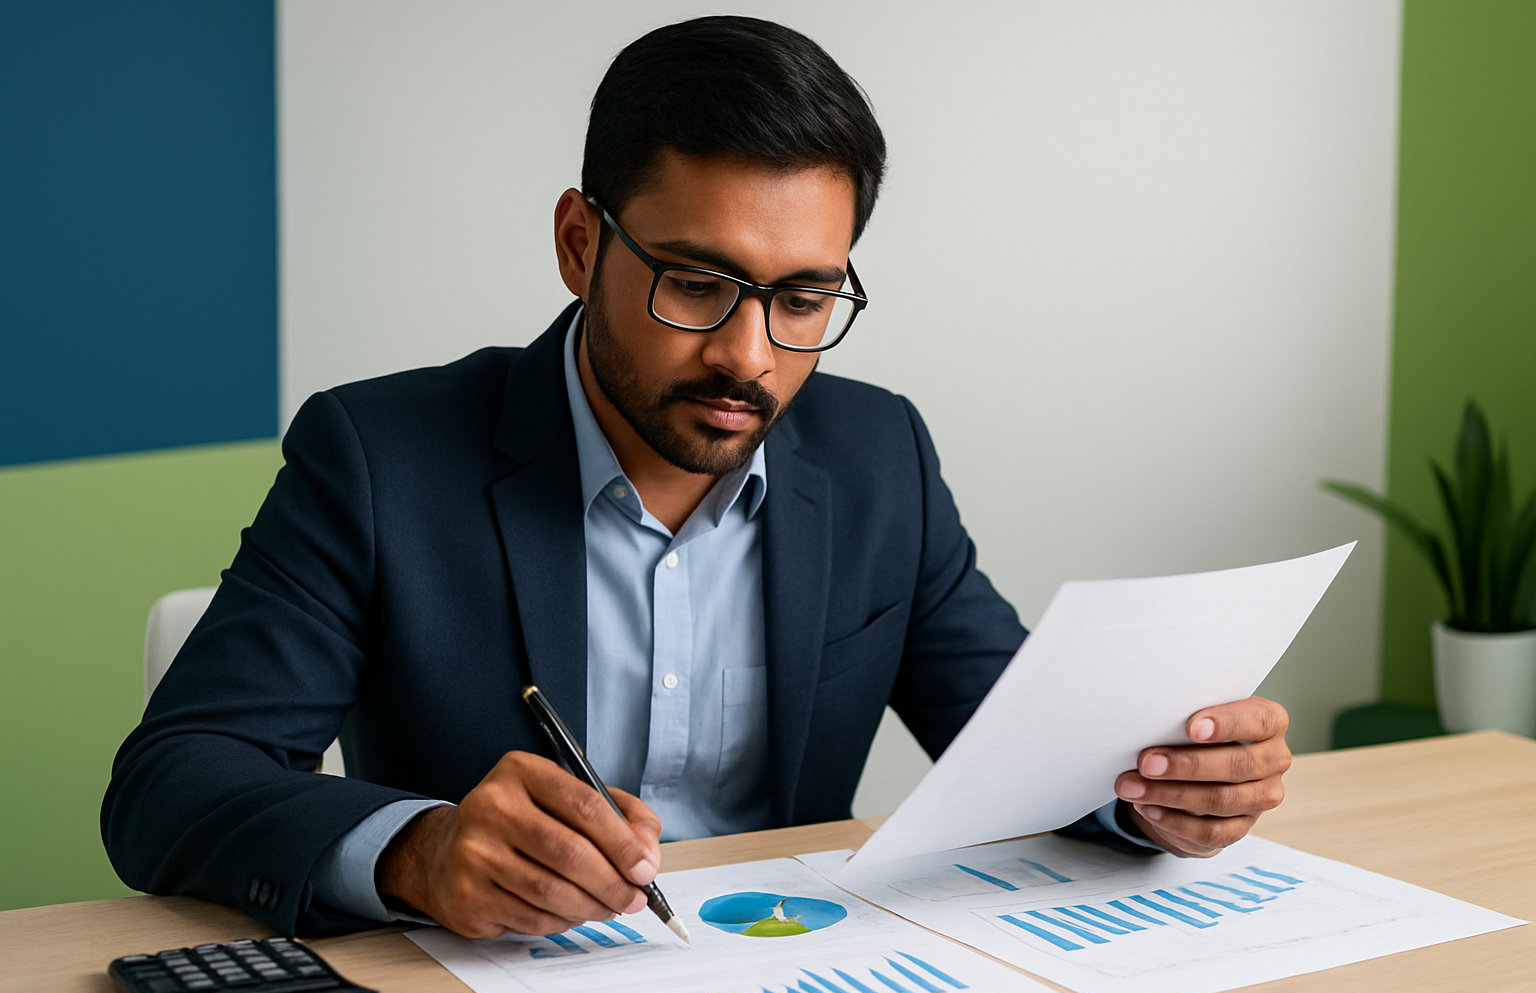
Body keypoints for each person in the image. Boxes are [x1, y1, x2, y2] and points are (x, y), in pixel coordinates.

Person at [102, 16, 1292, 940]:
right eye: (696, 283)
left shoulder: (879, 456)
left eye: (804, 298)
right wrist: (420, 850)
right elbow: (170, 782)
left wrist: (1157, 791)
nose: (748, 355)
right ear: (581, 245)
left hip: (788, 969)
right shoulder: (379, 456)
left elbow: (1023, 749)